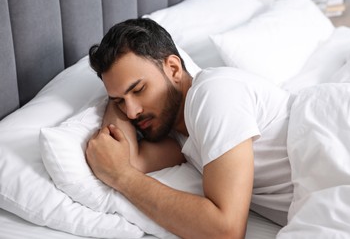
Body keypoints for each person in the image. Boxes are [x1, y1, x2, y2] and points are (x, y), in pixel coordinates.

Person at [86, 18, 293, 238]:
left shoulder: (213, 93)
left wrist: (122, 178)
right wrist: (117, 96)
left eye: (139, 90)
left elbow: (227, 231)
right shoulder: (178, 134)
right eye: (119, 101)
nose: (131, 112)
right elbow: (126, 158)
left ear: (173, 69)